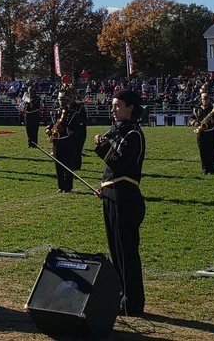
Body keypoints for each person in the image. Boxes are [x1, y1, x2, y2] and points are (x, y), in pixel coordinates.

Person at [94, 89, 146, 317]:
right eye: (112, 106)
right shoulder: (118, 131)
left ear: (130, 107)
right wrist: (105, 186)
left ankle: (133, 301)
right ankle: (121, 294)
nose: (113, 110)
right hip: (112, 195)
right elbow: (111, 171)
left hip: (126, 198)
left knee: (126, 252)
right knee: (115, 249)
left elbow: (123, 165)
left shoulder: (133, 134)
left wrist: (103, 147)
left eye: (118, 106)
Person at [49, 85, 87, 193]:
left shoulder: (73, 114)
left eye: (63, 100)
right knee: (58, 165)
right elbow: (51, 124)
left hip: (68, 142)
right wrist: (48, 130)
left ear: (68, 100)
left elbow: (76, 130)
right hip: (57, 142)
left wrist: (64, 129)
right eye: (60, 99)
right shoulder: (55, 112)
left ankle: (68, 186)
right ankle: (61, 186)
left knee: (68, 165)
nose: (61, 102)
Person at [192, 88, 214, 175]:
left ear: (209, 99)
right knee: (203, 152)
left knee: (213, 152)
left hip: (213, 132)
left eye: (206, 98)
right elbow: (191, 118)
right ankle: (205, 169)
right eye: (203, 98)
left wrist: (213, 121)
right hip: (201, 133)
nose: (205, 100)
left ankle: (212, 170)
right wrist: (196, 123)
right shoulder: (197, 109)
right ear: (201, 99)